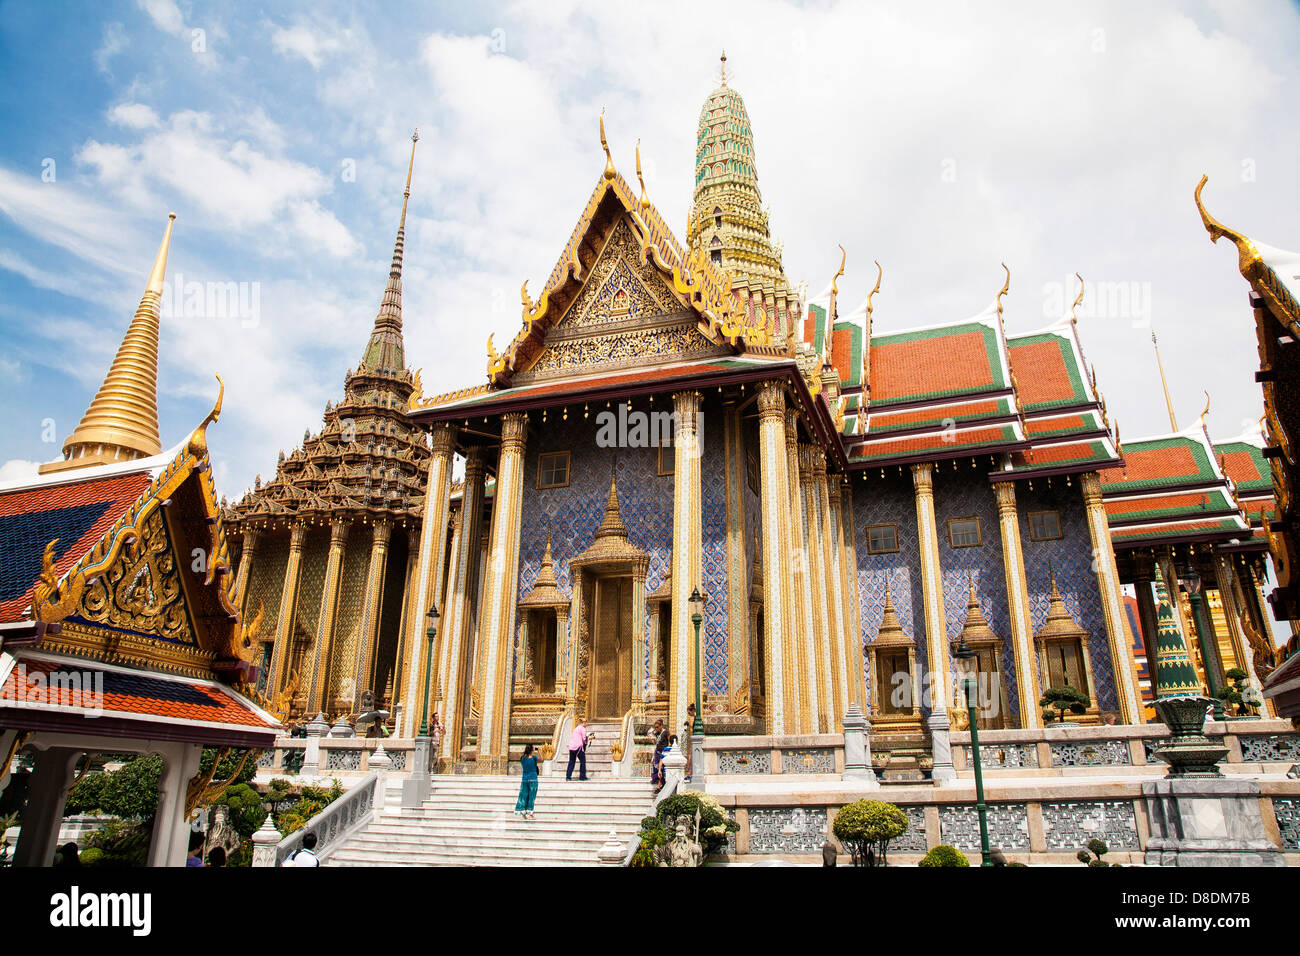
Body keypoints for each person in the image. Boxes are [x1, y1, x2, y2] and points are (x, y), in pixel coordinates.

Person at [515, 743, 540, 819]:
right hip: (533, 779)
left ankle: (523, 813)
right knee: (531, 797)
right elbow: (542, 759)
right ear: (532, 749)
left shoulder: (522, 758)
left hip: (525, 779)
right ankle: (530, 813)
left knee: (524, 796)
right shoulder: (534, 758)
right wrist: (539, 751)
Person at [566, 717, 591, 781]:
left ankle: (568, 776)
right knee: (583, 761)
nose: (586, 724)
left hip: (571, 747)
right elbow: (584, 739)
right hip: (578, 747)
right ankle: (582, 777)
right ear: (583, 723)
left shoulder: (576, 728)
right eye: (586, 723)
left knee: (571, 762)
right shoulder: (582, 729)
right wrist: (589, 738)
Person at [650, 718, 669, 792]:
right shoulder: (657, 733)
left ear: (661, 726)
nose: (656, 728)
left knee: (661, 769)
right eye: (655, 727)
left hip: (663, 753)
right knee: (656, 769)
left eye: (657, 727)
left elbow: (669, 741)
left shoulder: (666, 732)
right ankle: (658, 783)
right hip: (657, 752)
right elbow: (656, 743)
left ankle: (659, 786)